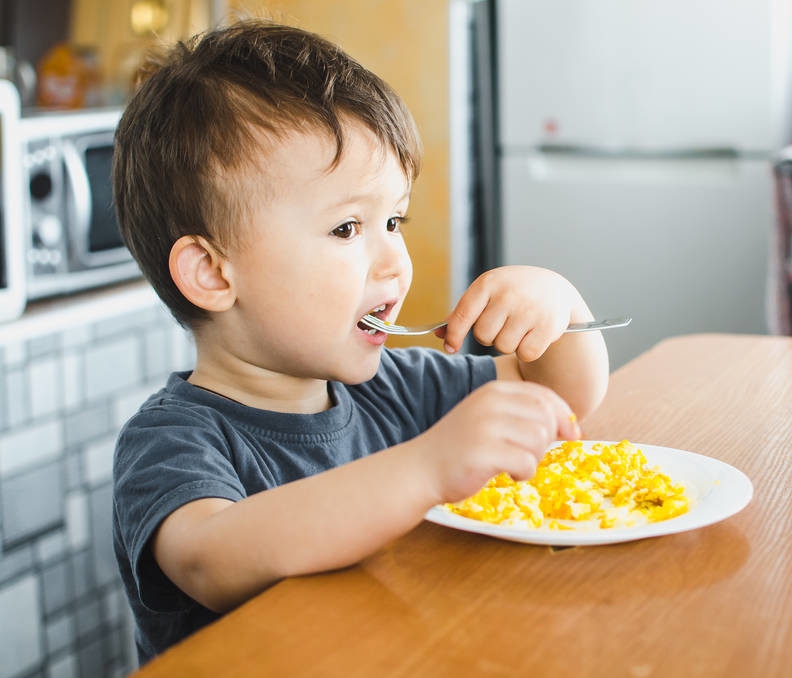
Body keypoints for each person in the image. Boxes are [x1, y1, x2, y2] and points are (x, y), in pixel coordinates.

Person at [111, 19, 609, 664]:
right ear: (213, 273)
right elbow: (212, 559)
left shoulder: (394, 389)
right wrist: (426, 469)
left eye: (394, 220)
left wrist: (559, 305)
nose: (395, 261)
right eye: (348, 227)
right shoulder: (175, 440)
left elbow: (564, 394)